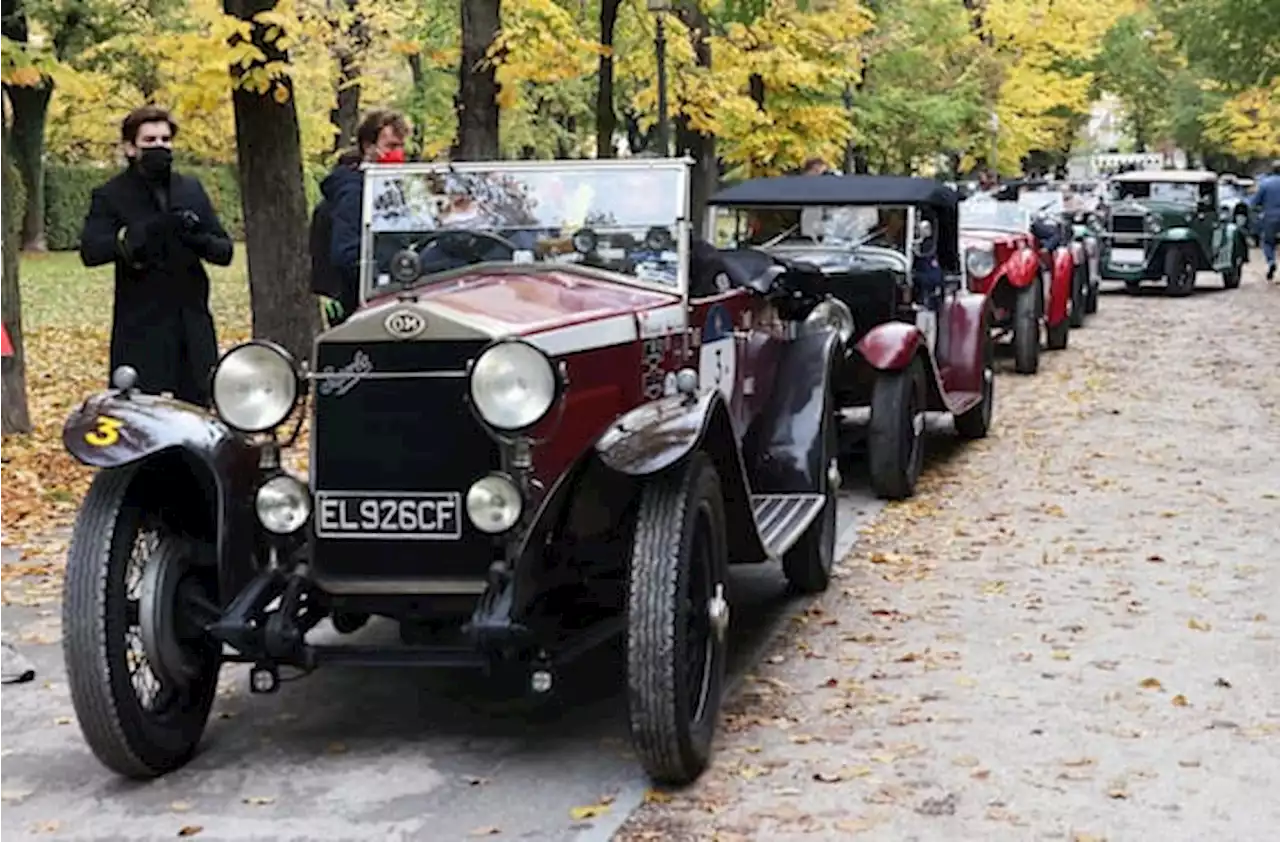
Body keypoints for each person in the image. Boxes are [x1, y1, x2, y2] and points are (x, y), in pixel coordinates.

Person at [79, 106, 233, 406]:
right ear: (130, 147)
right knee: (139, 416)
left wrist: (195, 237)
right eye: (150, 140)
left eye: (165, 140)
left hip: (192, 323)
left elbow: (224, 250)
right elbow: (92, 250)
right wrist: (143, 233)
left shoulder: (190, 188)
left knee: (197, 412)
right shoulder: (111, 194)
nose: (160, 146)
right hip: (141, 325)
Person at [316, 109, 410, 326]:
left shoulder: (389, 188)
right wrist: (385, 276)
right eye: (391, 146)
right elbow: (346, 254)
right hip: (364, 301)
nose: (398, 154)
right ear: (369, 147)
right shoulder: (353, 192)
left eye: (401, 146)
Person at [1248, 159, 1280, 281]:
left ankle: (1271, 261)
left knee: (1267, 242)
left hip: (1270, 217)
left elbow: (1254, 202)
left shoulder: (1265, 184)